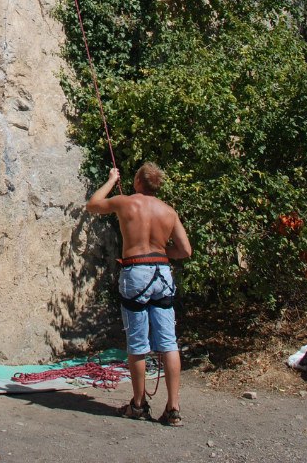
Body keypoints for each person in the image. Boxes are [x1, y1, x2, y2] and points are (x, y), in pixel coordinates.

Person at [86, 162, 192, 426]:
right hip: (162, 274)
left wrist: (111, 179)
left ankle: (138, 403)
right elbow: (186, 251)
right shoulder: (169, 211)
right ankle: (173, 408)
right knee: (168, 341)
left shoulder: (125, 202)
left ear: (137, 182)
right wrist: (161, 254)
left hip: (136, 272)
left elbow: (93, 204)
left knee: (137, 340)